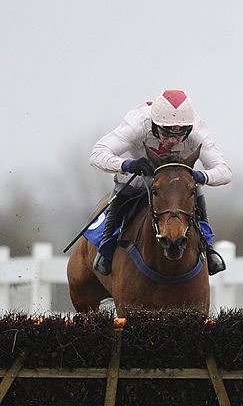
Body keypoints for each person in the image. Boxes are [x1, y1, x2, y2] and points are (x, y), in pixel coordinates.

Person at [89, 89, 232, 276]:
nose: (173, 140)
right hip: (137, 175)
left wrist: (201, 177)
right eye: (166, 133)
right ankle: (106, 250)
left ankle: (208, 249)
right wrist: (127, 164)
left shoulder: (197, 129)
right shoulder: (137, 123)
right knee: (124, 192)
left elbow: (225, 172)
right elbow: (97, 154)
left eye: (181, 134)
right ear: (155, 124)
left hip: (176, 181)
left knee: (194, 191)